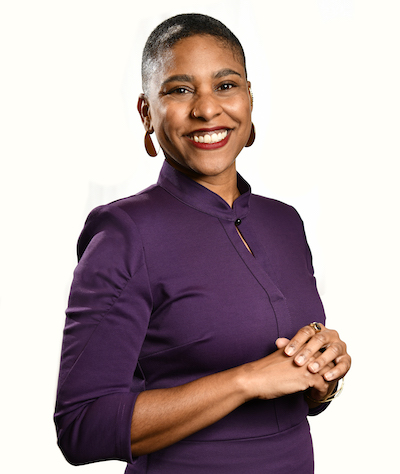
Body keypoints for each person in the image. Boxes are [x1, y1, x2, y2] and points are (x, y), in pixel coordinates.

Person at [54, 13, 351, 473]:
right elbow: (82, 427)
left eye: (226, 85)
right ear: (146, 113)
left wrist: (321, 378)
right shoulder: (125, 232)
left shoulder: (284, 222)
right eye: (180, 90)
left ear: (249, 99)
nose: (207, 109)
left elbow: (294, 396)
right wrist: (246, 381)